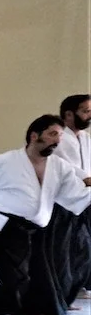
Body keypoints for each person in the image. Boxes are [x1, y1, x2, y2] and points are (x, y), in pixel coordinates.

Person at [0, 115, 91, 315]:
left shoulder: (60, 166)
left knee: (34, 277)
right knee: (6, 276)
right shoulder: (5, 161)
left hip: (34, 230)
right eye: (52, 134)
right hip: (1, 228)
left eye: (60, 136)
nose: (57, 140)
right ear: (34, 136)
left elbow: (74, 196)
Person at [53, 95, 91, 301]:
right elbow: (64, 164)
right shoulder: (59, 137)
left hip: (86, 199)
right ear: (69, 114)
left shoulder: (85, 138)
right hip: (64, 202)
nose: (89, 116)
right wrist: (85, 177)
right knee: (68, 247)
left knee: (85, 245)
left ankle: (82, 286)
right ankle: (65, 290)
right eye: (85, 111)